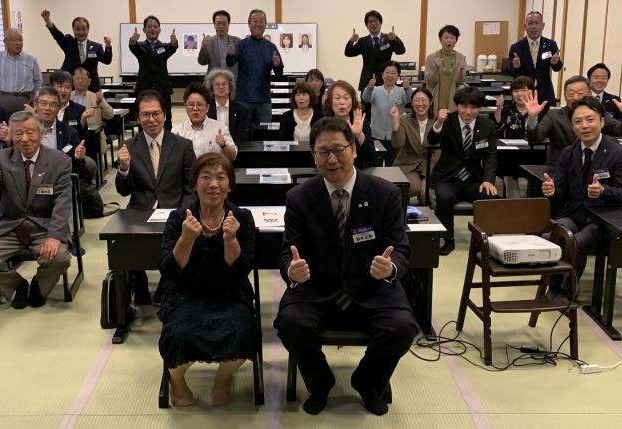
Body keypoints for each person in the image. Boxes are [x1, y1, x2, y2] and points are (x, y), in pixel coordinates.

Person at [274, 117, 418, 416]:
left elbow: (401, 249)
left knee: (403, 328)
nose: (331, 159)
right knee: (290, 324)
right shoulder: (299, 198)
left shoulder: (385, 194)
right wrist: (291, 271)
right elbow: (288, 252)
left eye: (338, 149)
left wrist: (390, 269)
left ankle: (367, 382)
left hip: (371, 287)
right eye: (322, 152)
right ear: (313, 155)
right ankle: (321, 382)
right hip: (318, 289)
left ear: (353, 149)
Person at [159, 152, 259, 407]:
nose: (213, 184)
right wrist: (186, 239)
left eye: (220, 178)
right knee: (178, 333)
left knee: (245, 331)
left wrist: (230, 240)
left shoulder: (242, 218)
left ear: (229, 186)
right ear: (194, 184)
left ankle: (222, 380)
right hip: (186, 293)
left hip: (230, 293)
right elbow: (169, 272)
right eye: (206, 177)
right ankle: (178, 381)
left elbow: (240, 271)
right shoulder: (178, 218)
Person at [0, 111, 72, 309]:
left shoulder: (59, 161)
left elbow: (63, 202)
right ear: (10, 135)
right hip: (9, 225)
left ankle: (39, 286)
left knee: (60, 257)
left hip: (44, 226)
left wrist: (54, 236)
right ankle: (16, 286)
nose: (24, 139)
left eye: (30, 133)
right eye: (18, 133)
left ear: (41, 134)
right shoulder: (1, 158)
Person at [540, 96, 622, 297]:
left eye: (590, 120)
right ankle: (552, 285)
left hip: (602, 217)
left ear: (602, 121)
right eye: (578, 121)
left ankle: (568, 290)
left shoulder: (619, 153)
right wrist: (552, 191)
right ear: (572, 126)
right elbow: (562, 192)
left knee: (577, 242)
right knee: (555, 234)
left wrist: (604, 191)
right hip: (574, 213)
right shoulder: (568, 152)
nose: (585, 126)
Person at [115, 90, 196, 305]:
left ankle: (166, 282)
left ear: (165, 115)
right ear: (139, 117)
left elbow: (192, 186)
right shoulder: (129, 147)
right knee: (124, 242)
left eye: (156, 114)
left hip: (174, 209)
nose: (151, 120)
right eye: (145, 115)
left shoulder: (183, 145)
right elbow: (124, 191)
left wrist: (184, 213)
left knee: (179, 241)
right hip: (140, 210)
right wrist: (124, 168)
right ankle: (138, 281)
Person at [427, 87, 499, 256]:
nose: (468, 112)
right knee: (443, 196)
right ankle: (448, 239)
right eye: (463, 106)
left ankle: (482, 239)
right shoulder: (448, 121)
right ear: (457, 106)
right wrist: (438, 123)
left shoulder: (487, 125)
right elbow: (431, 140)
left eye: (473, 107)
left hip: (474, 179)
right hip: (449, 177)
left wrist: (488, 180)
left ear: (479, 108)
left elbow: (491, 156)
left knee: (490, 195)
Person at [525, 75, 622, 168]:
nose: (575, 97)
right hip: (560, 171)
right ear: (564, 96)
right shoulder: (554, 116)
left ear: (589, 94)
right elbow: (535, 138)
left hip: (593, 169)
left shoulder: (596, 114)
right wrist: (532, 118)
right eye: (570, 94)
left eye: (580, 93)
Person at [226, 9, 284, 125]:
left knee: (263, 136)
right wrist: (230, 54)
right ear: (249, 24)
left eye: (261, 21)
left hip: (264, 101)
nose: (258, 24)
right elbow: (230, 63)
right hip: (243, 99)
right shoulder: (242, 44)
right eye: (254, 21)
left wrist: (277, 65)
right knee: (242, 135)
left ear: (265, 24)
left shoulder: (271, 47)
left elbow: (279, 73)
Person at [41, 10, 112, 92]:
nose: (80, 32)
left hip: (91, 88)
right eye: (77, 29)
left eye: (83, 29)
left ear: (88, 30)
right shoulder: (68, 41)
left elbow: (107, 60)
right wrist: (47, 19)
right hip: (69, 88)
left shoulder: (96, 47)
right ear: (73, 30)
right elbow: (57, 34)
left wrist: (108, 45)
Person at [129, 15, 178, 131]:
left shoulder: (164, 47)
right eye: (150, 26)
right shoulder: (140, 46)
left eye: (155, 27)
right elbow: (133, 47)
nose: (153, 29)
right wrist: (132, 40)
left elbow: (172, 48)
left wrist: (174, 42)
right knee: (144, 119)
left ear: (159, 30)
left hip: (163, 89)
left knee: (166, 119)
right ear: (144, 30)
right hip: (144, 88)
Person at [390, 87, 438, 205]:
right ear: (411, 103)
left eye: (423, 100)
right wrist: (396, 121)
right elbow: (397, 144)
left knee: (428, 198)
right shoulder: (404, 119)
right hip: (407, 165)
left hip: (430, 167)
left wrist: (426, 178)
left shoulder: (437, 121)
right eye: (416, 100)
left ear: (430, 101)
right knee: (413, 188)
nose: (420, 104)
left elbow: (437, 153)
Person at [509, 11, 562, 113]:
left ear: (542, 26)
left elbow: (557, 68)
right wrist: (515, 66)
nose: (534, 26)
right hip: (524, 93)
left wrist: (556, 63)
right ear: (525, 26)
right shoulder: (516, 47)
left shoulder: (550, 44)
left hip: (545, 92)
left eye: (537, 23)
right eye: (530, 23)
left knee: (547, 123)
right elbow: (510, 72)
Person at [362, 60, 413, 166]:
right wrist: (369, 87)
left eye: (394, 73)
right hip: (376, 134)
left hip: (394, 135)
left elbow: (410, 99)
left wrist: (408, 88)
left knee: (393, 165)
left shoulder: (401, 91)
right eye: (387, 72)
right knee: (375, 165)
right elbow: (365, 98)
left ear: (398, 75)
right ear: (382, 74)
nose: (390, 75)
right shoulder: (375, 90)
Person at [344, 10, 406, 93]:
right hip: (367, 80)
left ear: (380, 23)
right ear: (366, 25)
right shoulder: (363, 41)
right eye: (370, 22)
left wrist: (395, 39)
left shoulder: (388, 38)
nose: (373, 24)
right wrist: (351, 41)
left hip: (385, 80)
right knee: (366, 105)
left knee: (386, 105)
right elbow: (348, 53)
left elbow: (401, 51)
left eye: (375, 21)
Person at [172, 83, 237, 161]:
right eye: (191, 104)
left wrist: (224, 145)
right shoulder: (177, 132)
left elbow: (233, 157)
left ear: (207, 107)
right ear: (186, 107)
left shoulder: (220, 128)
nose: (195, 108)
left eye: (199, 104)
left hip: (212, 171)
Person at [494, 76, 535, 198]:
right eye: (516, 91)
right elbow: (499, 129)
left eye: (523, 90)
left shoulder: (538, 109)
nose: (519, 94)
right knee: (507, 163)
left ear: (531, 91)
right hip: (511, 153)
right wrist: (499, 108)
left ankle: (532, 197)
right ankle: (514, 200)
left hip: (532, 151)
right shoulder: (508, 109)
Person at [323, 80, 375, 169]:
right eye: (337, 98)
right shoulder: (323, 124)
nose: (342, 102)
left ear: (352, 101)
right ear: (330, 101)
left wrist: (359, 135)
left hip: (358, 172)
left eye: (346, 98)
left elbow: (370, 157)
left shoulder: (361, 122)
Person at [72, 67, 114, 156]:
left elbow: (110, 115)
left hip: (91, 137)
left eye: (83, 79)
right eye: (77, 78)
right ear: (73, 80)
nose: (80, 81)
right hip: (72, 134)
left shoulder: (95, 96)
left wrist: (101, 102)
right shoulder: (68, 97)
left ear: (89, 81)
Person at [425, 25, 466, 115]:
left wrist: (461, 70)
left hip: (453, 99)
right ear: (440, 39)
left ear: (456, 41)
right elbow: (430, 83)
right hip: (436, 98)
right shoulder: (431, 57)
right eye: (446, 37)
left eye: (452, 38)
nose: (449, 40)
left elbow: (460, 83)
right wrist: (436, 68)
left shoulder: (461, 58)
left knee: (451, 122)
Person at [205, 68, 251, 143]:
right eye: (217, 84)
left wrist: (229, 149)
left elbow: (242, 135)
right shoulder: (205, 110)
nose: (221, 87)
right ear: (212, 89)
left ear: (230, 88)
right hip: (211, 150)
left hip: (234, 150)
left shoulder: (241, 110)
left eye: (224, 84)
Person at [198, 10, 240, 82]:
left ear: (228, 25)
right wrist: (203, 47)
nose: (221, 26)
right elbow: (202, 62)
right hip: (213, 83)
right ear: (214, 25)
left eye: (224, 23)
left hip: (231, 83)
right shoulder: (208, 41)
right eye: (218, 23)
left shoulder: (237, 42)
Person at [49, 71, 87, 140]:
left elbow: (82, 138)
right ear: (52, 88)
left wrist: (83, 123)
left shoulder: (80, 110)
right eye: (60, 86)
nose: (63, 90)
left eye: (67, 87)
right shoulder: (45, 109)